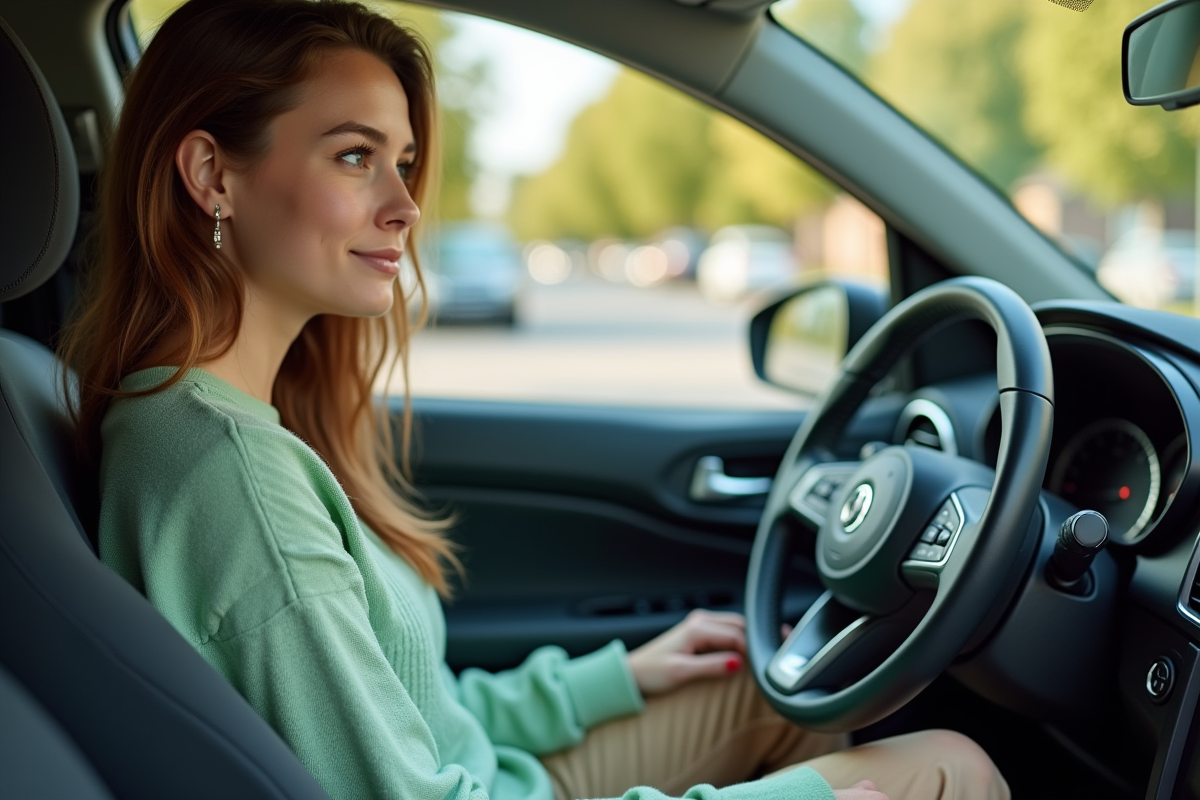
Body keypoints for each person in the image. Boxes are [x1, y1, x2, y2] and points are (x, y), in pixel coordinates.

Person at [59, 2, 1009, 799]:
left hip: (496, 772)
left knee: (779, 687)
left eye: (402, 160)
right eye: (354, 157)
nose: (404, 203)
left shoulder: (217, 421)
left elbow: (406, 708)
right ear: (211, 174)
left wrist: (613, 678)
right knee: (948, 768)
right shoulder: (230, 474)